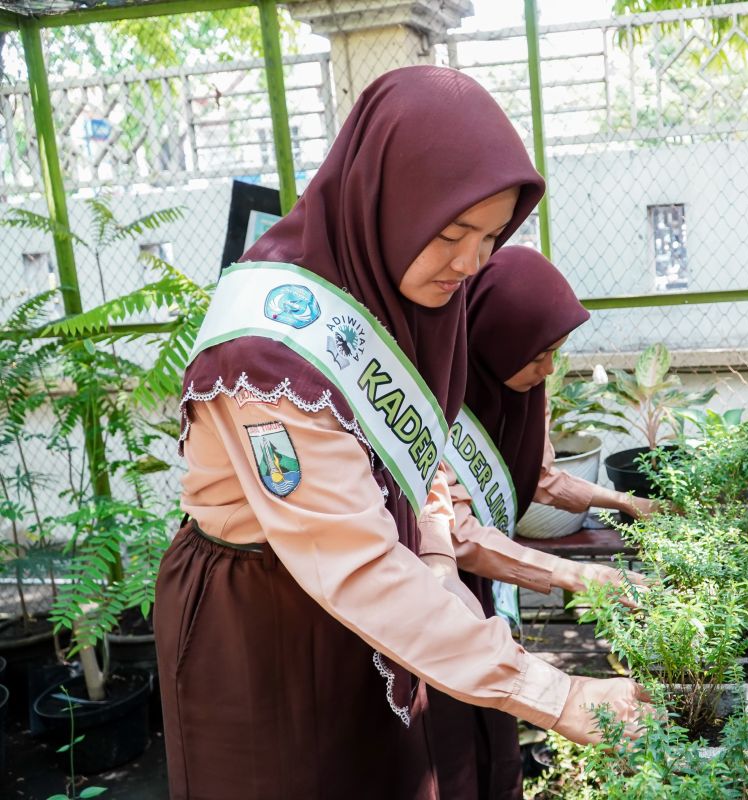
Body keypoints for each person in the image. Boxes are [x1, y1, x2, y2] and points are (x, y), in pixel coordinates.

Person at [154, 67, 651, 799]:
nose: (469, 264)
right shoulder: (270, 354)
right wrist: (560, 696)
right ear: (383, 204)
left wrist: (454, 564)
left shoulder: (403, 303)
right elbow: (354, 563)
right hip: (265, 624)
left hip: (368, 611)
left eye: (490, 238)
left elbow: (420, 487)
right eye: (450, 234)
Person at [423, 247, 657, 798]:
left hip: (479, 587)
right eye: (539, 355)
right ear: (496, 341)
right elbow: (455, 534)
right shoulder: (436, 405)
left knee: (495, 736)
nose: (549, 367)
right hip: (433, 595)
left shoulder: (519, 393)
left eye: (556, 352)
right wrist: (582, 577)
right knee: (454, 741)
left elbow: (541, 477)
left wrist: (627, 504)